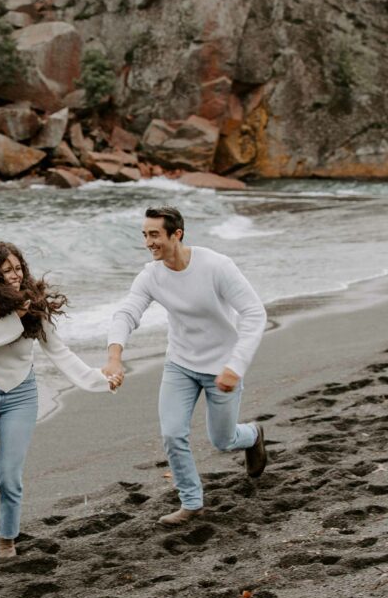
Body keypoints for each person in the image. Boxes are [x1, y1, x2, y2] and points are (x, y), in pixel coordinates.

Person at [0, 241, 122, 558]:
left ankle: (6, 542)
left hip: (20, 395)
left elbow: (60, 352)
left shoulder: (33, 304)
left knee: (11, 476)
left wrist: (100, 380)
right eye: (7, 271)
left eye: (18, 268)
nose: (15, 276)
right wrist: (9, 318)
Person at [105, 206, 269, 526]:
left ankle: (253, 434)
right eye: (145, 235)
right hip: (180, 363)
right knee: (172, 433)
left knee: (222, 441)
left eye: (155, 235)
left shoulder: (216, 266)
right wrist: (114, 355)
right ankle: (191, 503)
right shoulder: (151, 275)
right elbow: (127, 313)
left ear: (176, 234)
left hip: (222, 368)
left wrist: (236, 365)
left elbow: (253, 313)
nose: (148, 242)